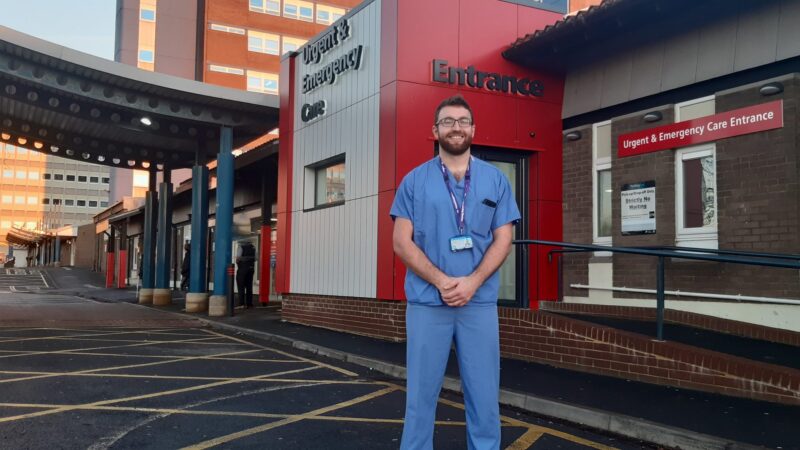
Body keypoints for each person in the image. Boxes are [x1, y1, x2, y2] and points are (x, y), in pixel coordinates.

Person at [390, 94, 520, 450]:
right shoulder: (413, 181)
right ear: (435, 130)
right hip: (428, 303)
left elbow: (503, 238)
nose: (456, 127)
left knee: (484, 397)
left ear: (473, 129)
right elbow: (402, 242)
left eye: (462, 121)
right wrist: (443, 282)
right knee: (420, 398)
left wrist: (472, 283)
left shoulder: (495, 180)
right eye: (447, 121)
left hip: (477, 304)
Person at [235, 240, 256, 308]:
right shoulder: (253, 248)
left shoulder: (241, 247)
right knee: (249, 287)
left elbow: (238, 258)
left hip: (242, 269)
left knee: (241, 286)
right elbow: (256, 258)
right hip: (251, 268)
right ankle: (249, 304)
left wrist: (239, 261)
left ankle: (241, 304)